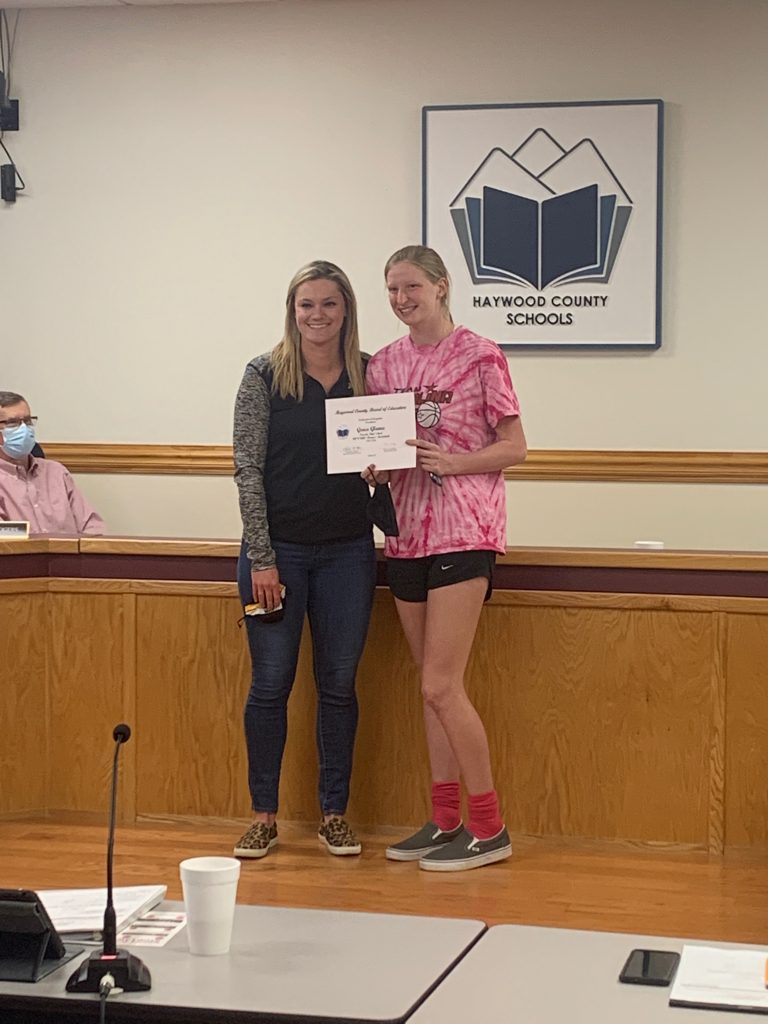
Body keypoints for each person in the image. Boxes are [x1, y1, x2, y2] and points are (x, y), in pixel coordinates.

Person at [364, 245, 527, 872]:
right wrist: (373, 469)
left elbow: (515, 447)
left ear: (440, 286)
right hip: (406, 533)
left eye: (411, 287)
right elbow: (379, 447)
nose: (402, 299)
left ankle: (490, 827)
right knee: (430, 688)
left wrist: (454, 462)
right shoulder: (384, 364)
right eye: (392, 289)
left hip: (466, 528)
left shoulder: (480, 354)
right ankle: (445, 819)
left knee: (441, 683)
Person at [232, 260, 376, 861]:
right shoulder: (263, 375)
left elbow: (392, 462)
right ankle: (263, 816)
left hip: (349, 554)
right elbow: (247, 469)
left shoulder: (372, 375)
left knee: (338, 685)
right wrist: (263, 559)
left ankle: (334, 815)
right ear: (292, 311)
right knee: (270, 685)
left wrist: (383, 473)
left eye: (329, 304)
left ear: (347, 310)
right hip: (276, 557)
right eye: (306, 304)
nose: (317, 315)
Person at [0, 390, 105, 535]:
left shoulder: (56, 472)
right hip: (20, 550)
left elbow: (92, 526)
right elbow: (4, 537)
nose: (24, 429)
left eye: (28, 421)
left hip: (71, 550)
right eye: (13, 423)